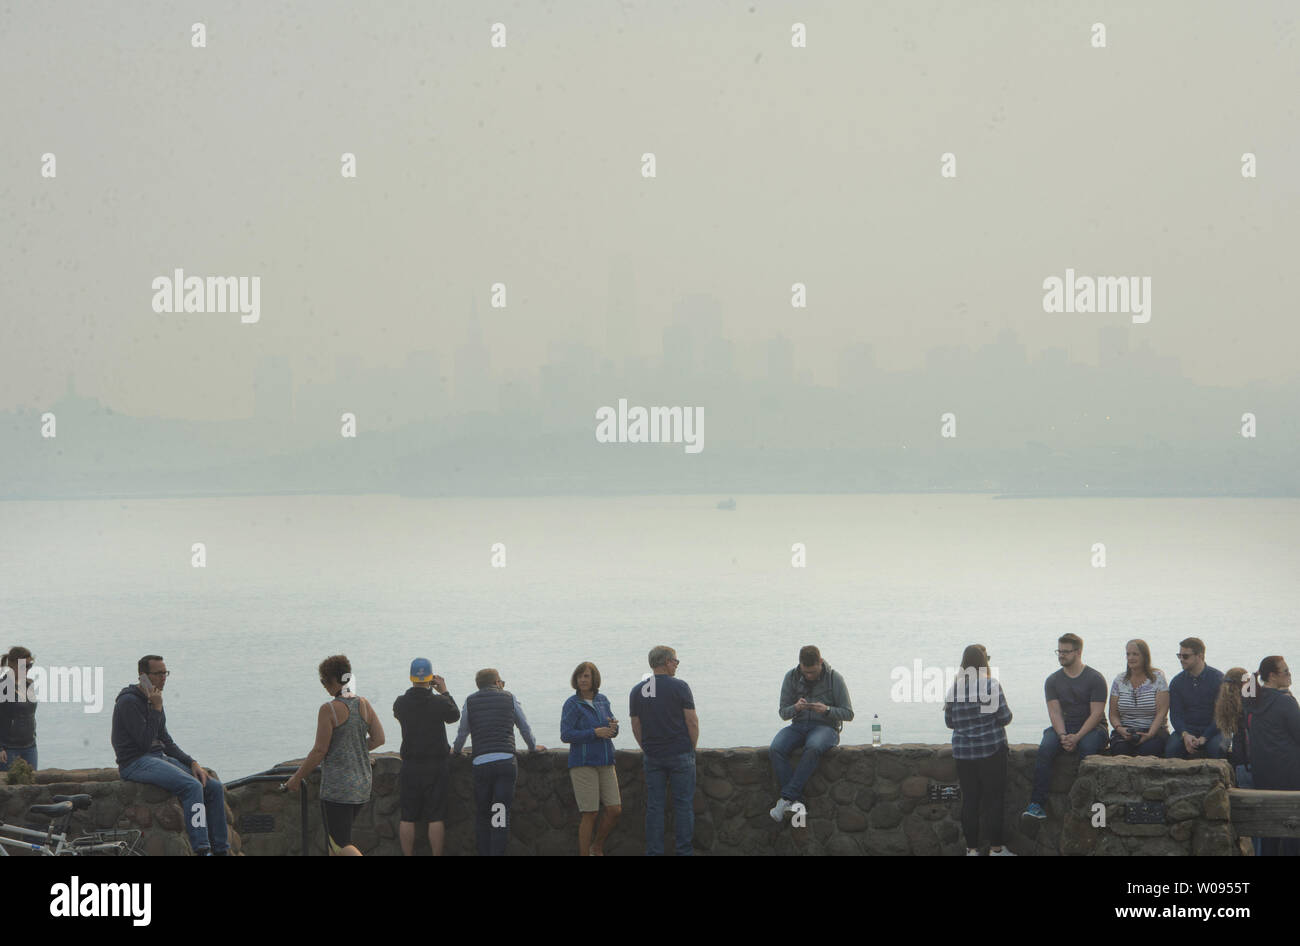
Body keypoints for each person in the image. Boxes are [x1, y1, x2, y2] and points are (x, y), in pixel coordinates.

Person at [111, 655, 230, 855]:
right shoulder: (128, 702)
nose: (164, 678)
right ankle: (202, 849)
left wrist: (192, 762)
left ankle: (221, 850)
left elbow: (165, 740)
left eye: (165, 673)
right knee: (191, 787)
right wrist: (156, 708)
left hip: (157, 759)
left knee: (213, 787)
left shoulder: (154, 699)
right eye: (158, 674)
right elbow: (144, 743)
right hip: (135, 763)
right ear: (143, 676)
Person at [284, 655, 385, 856]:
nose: (323, 686)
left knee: (339, 844)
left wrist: (296, 778)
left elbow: (319, 750)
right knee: (334, 845)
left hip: (338, 789)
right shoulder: (363, 704)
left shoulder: (329, 709)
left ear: (333, 680)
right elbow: (379, 738)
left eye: (324, 681)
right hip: (362, 785)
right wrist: (354, 748)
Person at [451, 668, 546, 856]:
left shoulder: (470, 701)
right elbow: (524, 728)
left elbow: (463, 732)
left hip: (481, 763)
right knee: (499, 814)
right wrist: (533, 747)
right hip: (505, 762)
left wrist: (457, 750)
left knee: (483, 814)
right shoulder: (509, 698)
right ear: (496, 682)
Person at [1022, 633, 1107, 822]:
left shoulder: (1095, 678)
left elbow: (1096, 714)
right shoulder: (1052, 680)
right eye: (1059, 651)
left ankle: (1088, 804)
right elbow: (1055, 712)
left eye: (1065, 652)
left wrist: (1076, 737)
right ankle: (1037, 805)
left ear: (1078, 652)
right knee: (1045, 748)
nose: (1061, 655)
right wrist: (1062, 735)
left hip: (1092, 727)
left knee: (1087, 749)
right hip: (1064, 726)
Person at [768, 645, 854, 821]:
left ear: (820, 662)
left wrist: (827, 710)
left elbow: (848, 713)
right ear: (799, 665)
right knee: (776, 748)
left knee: (813, 747)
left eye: (813, 672)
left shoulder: (834, 679)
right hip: (798, 726)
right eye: (805, 672)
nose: (809, 676)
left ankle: (787, 797)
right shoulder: (791, 677)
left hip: (826, 728)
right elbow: (783, 712)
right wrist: (796, 708)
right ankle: (795, 801)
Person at [629, 645, 698, 856]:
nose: (676, 665)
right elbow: (691, 722)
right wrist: (691, 749)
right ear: (667, 662)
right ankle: (684, 851)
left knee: (655, 807)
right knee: (683, 805)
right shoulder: (680, 687)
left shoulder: (637, 691)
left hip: (653, 755)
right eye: (675, 661)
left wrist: (646, 748)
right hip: (680, 753)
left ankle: (654, 852)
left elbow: (636, 725)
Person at [944, 644, 1014, 855]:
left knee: (970, 801)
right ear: (985, 663)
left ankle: (971, 849)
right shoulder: (991, 686)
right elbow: (1005, 717)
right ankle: (996, 849)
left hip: (964, 753)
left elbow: (950, 722)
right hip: (991, 750)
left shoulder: (954, 688)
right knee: (994, 800)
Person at [392, 657, 460, 856]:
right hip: (436, 765)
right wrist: (444, 690)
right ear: (431, 677)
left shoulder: (401, 703)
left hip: (410, 765)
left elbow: (400, 714)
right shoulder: (438, 701)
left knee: (407, 817)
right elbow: (454, 715)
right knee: (436, 817)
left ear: (411, 677)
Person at [560, 661, 622, 855]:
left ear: (594, 678)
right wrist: (594, 732)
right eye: (580, 676)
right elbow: (566, 734)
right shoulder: (572, 704)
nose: (582, 680)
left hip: (605, 761)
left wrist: (613, 729)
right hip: (583, 763)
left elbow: (611, 728)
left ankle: (597, 845)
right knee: (590, 813)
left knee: (614, 809)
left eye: (586, 676)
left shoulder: (602, 700)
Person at [1243, 656, 1300, 856]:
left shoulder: (1253, 700)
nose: (1290, 674)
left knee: (1268, 827)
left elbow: (1246, 685)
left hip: (1263, 772)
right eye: (1285, 671)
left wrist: (1254, 676)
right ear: (1272, 676)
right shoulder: (1286, 702)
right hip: (1289, 773)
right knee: (1292, 827)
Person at [1214, 667, 1260, 856]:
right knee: (1259, 818)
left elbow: (1224, 744)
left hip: (1237, 767)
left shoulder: (1224, 709)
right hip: (1251, 765)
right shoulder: (1249, 706)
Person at [1165, 637, 1225, 758]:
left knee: (1217, 749)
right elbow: (1175, 715)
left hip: (1215, 730)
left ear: (1200, 656)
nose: (1181, 660)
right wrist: (1185, 734)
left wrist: (1205, 737)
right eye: (1179, 656)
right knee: (1171, 750)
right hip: (1187, 729)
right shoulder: (1177, 682)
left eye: (1185, 656)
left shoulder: (1218, 679)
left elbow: (1221, 715)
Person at [1107, 639, 1169, 757]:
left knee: (1148, 751)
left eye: (1135, 654)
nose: (1131, 658)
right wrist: (1120, 729)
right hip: (1126, 731)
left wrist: (1150, 734)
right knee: (1121, 750)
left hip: (1152, 731)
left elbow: (1161, 712)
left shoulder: (1157, 679)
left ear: (1145, 656)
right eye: (1128, 654)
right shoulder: (1119, 680)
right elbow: (1113, 714)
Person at [0, 646, 37, 772]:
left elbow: (30, 714)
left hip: (30, 746)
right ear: (12, 665)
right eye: (24, 666)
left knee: (32, 787)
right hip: (9, 749)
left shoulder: (28, 684)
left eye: (29, 666)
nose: (27, 669)